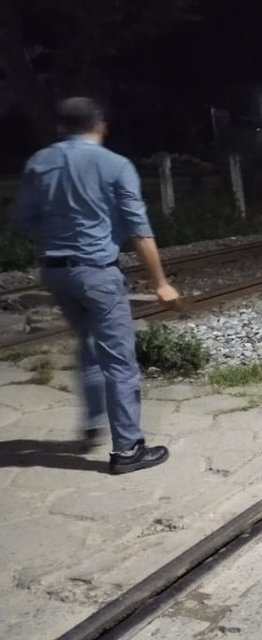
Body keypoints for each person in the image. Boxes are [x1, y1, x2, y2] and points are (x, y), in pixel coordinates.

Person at [12, 97, 179, 474]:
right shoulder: (115, 165)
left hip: (55, 271)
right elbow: (139, 229)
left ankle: (91, 425)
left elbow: (22, 218)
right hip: (97, 272)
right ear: (100, 124)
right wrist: (160, 282)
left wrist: (58, 234)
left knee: (88, 344)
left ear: (60, 127)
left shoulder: (39, 162)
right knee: (118, 359)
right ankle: (128, 450)